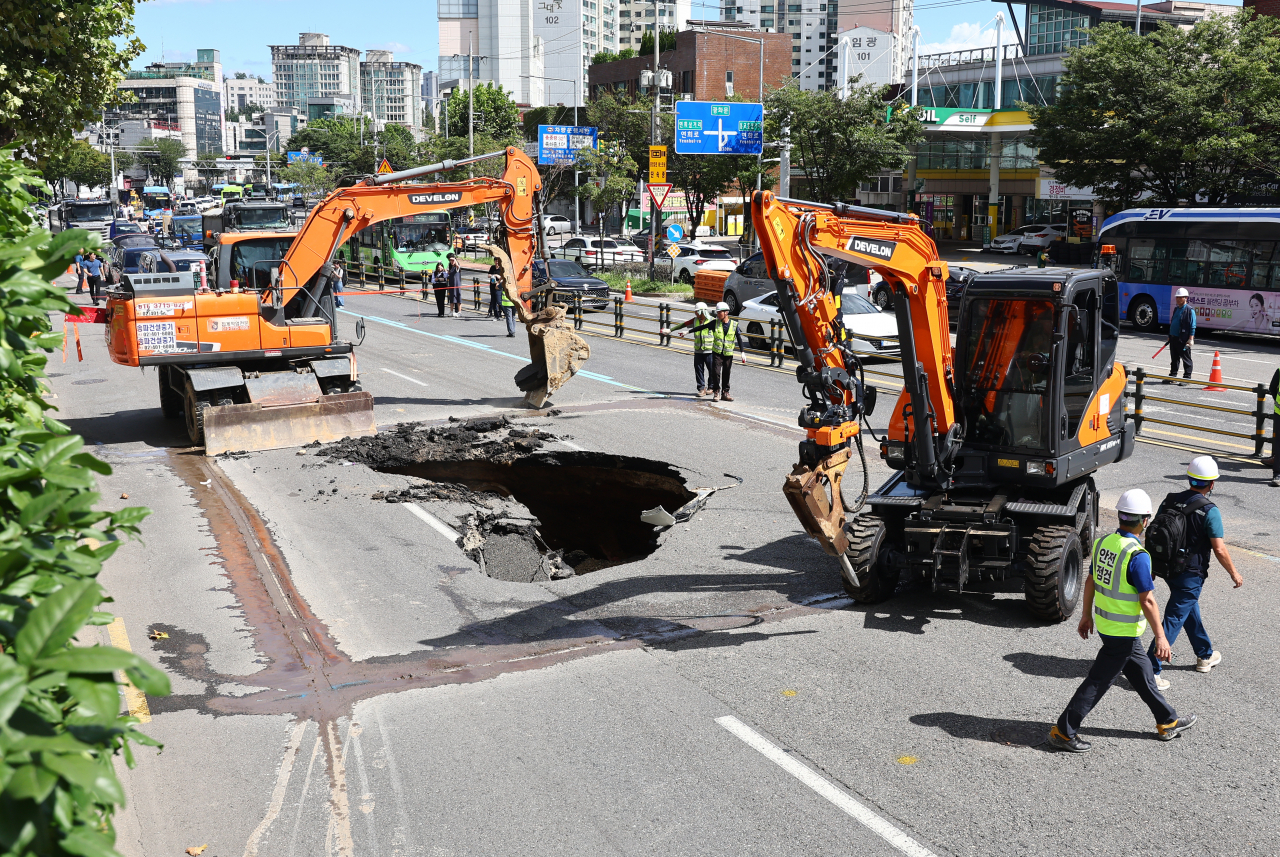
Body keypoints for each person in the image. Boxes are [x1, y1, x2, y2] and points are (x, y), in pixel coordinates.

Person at [1047, 489, 1198, 752]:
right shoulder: (1138, 556)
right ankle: (1063, 731)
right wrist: (1161, 636)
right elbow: (1147, 601)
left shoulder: (1104, 542)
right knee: (1097, 681)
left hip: (1107, 626)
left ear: (1120, 516)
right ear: (1145, 521)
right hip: (1123, 632)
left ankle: (1167, 721)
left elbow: (1091, 580)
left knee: (1142, 674)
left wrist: (1085, 615)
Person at [1147, 456, 1243, 688]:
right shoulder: (1210, 511)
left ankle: (1205, 655)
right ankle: (1150, 670)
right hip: (1190, 573)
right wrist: (1234, 573)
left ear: (1189, 478)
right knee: (1174, 617)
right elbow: (1219, 549)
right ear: (1211, 484)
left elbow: (1155, 530)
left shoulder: (1169, 500)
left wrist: (1150, 566)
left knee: (1188, 608)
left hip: (1167, 568)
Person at [660, 302, 715, 397]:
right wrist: (670, 330)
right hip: (698, 350)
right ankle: (701, 388)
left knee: (712, 369)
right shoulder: (695, 320)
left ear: (703, 312)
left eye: (697, 312)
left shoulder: (713, 321)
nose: (696, 314)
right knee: (698, 369)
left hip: (710, 350)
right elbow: (683, 324)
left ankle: (711, 387)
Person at [695, 302, 745, 402]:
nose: (717, 315)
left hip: (728, 354)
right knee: (716, 372)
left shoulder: (734, 325)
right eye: (717, 313)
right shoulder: (715, 323)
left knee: (726, 373)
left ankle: (725, 393)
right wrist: (687, 332)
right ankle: (716, 392)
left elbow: (739, 338)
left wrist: (742, 352)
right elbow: (701, 327)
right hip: (717, 353)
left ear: (726, 313)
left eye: (719, 313)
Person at [1166, 287, 1196, 385]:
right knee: (1174, 359)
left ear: (1186, 298)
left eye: (1180, 297)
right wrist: (1170, 336)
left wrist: (1191, 339)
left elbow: (1192, 326)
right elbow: (1173, 322)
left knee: (1186, 359)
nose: (1178, 299)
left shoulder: (1189, 310)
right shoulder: (1176, 309)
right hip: (1174, 338)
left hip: (1183, 339)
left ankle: (1187, 378)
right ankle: (1173, 376)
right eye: (1177, 297)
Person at [446, 253, 463, 318]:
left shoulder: (457, 266)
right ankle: (451, 311)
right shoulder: (450, 267)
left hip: (457, 285)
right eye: (450, 260)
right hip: (451, 284)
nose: (451, 262)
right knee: (452, 298)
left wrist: (455, 261)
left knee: (458, 297)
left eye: (452, 260)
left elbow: (458, 267)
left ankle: (459, 312)